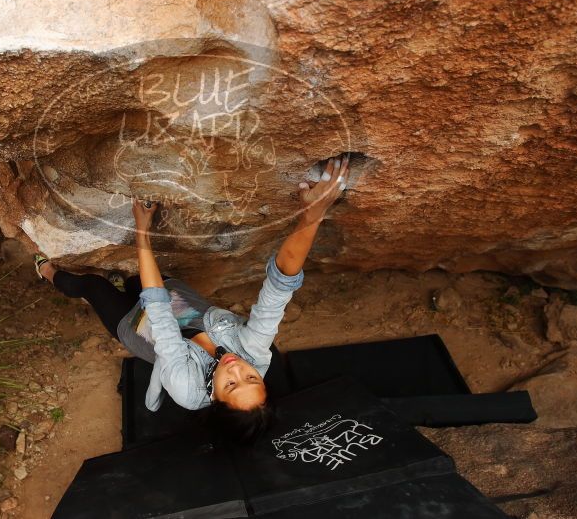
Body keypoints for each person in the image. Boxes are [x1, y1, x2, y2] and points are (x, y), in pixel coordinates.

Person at [35, 154, 350, 443]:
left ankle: (48, 273)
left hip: (141, 326)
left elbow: (157, 312)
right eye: (251, 378)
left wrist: (142, 230)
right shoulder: (256, 355)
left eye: (231, 384)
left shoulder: (187, 389)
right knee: (133, 279)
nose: (237, 368)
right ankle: (125, 282)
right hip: (176, 298)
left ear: (214, 399)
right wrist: (311, 217)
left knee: (93, 286)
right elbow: (279, 289)